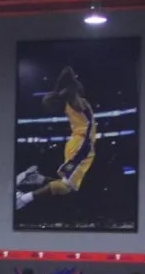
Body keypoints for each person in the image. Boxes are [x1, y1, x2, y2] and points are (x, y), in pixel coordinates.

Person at [16, 66, 98, 208]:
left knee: (66, 185)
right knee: (66, 186)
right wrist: (70, 76)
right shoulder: (75, 102)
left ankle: (35, 179)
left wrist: (58, 89)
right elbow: (67, 72)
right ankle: (23, 199)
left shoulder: (78, 103)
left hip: (82, 145)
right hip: (82, 146)